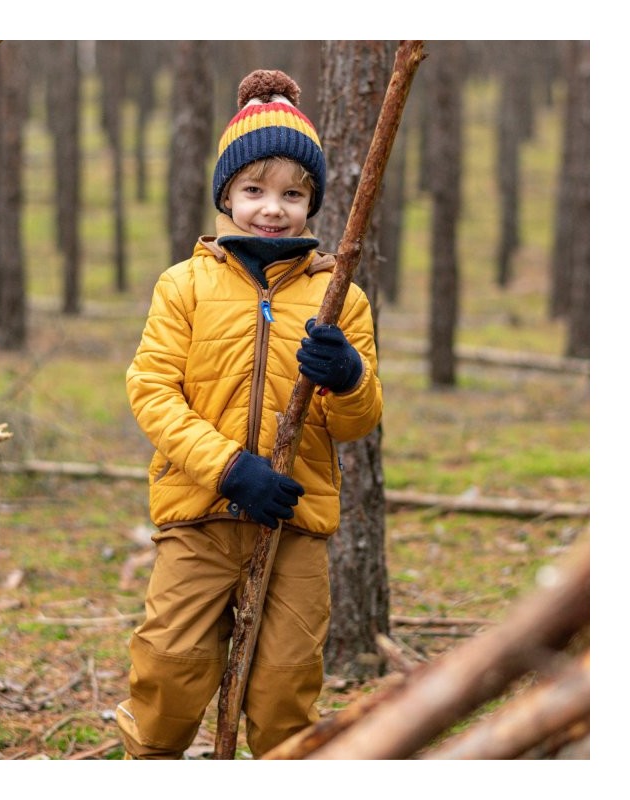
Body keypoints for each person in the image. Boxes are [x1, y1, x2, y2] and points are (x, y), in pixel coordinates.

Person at [117, 69, 383, 759]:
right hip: (200, 516)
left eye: (293, 193)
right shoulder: (185, 285)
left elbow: (359, 421)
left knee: (286, 687)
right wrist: (229, 468)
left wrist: (347, 379)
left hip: (295, 523)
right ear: (226, 194)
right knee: (170, 669)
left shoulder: (339, 296)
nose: (274, 208)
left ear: (312, 202)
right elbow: (151, 391)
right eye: (255, 190)